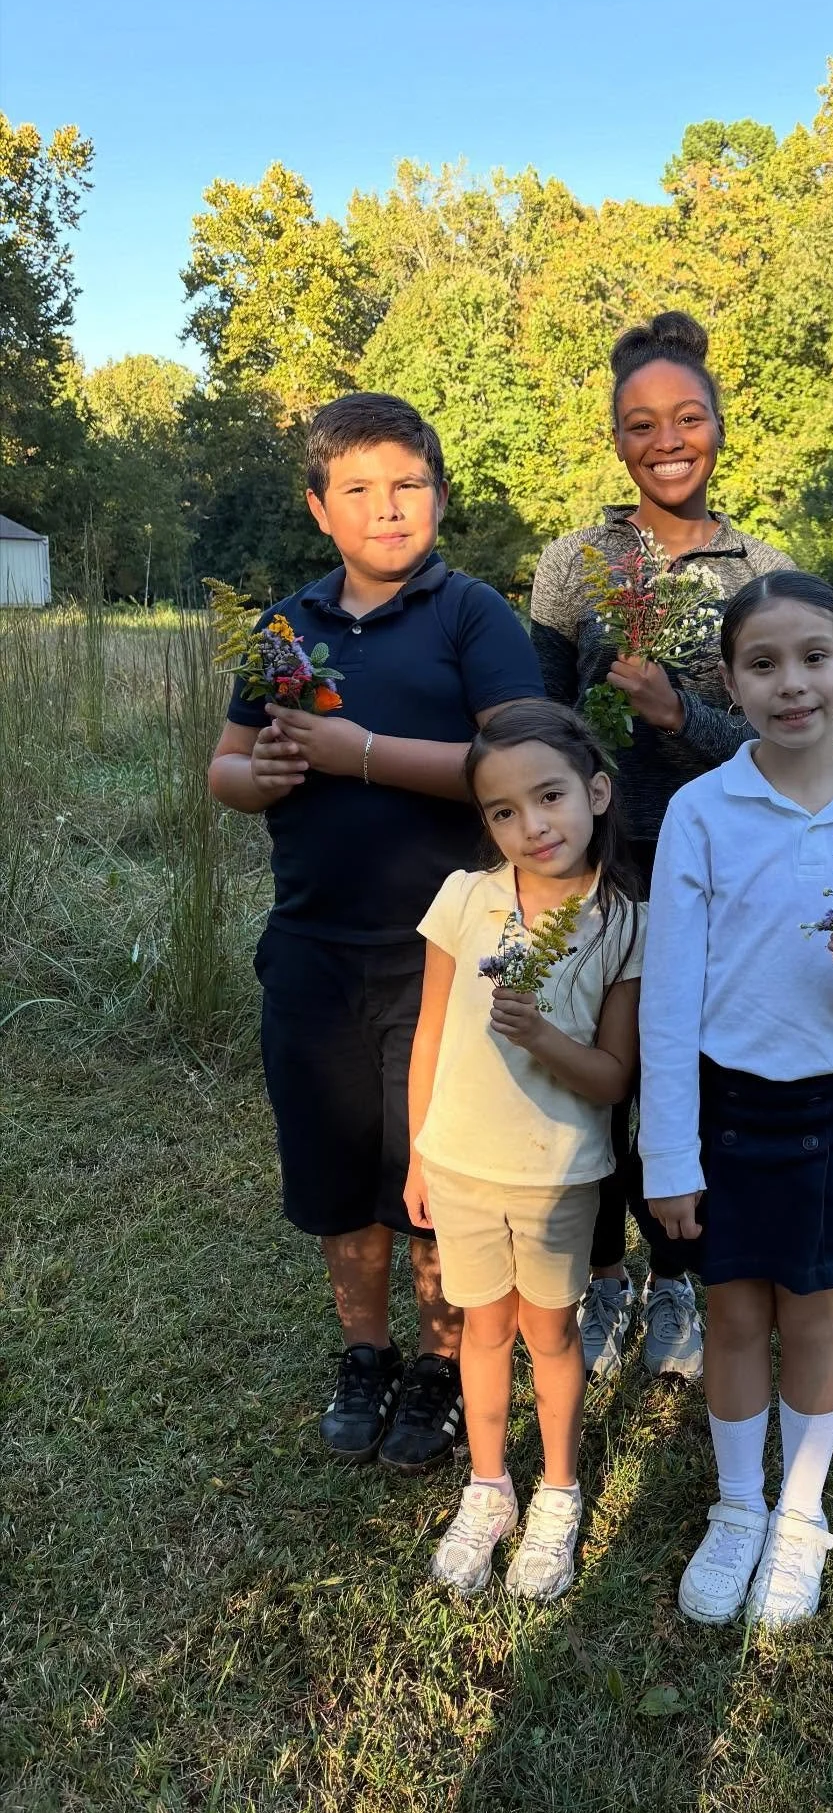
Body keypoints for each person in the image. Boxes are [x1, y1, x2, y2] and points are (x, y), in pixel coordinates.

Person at [209, 392, 545, 1472]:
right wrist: (256, 774)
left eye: (408, 486)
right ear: (318, 507)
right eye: (357, 489)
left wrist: (358, 751)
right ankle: (367, 1353)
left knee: (437, 1177)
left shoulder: (472, 616)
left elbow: (516, 769)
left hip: (441, 958)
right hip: (312, 950)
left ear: (440, 498)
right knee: (338, 1173)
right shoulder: (285, 628)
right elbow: (226, 765)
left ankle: (444, 1368)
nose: (386, 508)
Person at [639, 571, 833, 1628]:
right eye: (763, 665)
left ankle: (801, 1516)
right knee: (733, 1312)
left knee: (814, 1311)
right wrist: (669, 1158)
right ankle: (737, 1508)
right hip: (729, 1108)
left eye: (813, 658)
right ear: (729, 680)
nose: (791, 685)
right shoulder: (701, 812)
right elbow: (671, 1000)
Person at [529, 310, 789, 1387]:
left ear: (720, 426)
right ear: (616, 437)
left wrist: (680, 714)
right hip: (599, 873)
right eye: (642, 423)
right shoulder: (574, 564)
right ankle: (601, 1275)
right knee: (594, 1078)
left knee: (690, 1080)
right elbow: (533, 731)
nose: (666, 439)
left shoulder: (762, 570)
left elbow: (784, 755)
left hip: (719, 876)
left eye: (688, 418)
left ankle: (679, 1279)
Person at [404, 701, 645, 1598]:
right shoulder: (465, 900)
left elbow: (615, 1077)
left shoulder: (624, 922)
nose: (530, 826)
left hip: (557, 1176)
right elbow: (429, 1036)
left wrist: (540, 1034)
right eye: (503, 811)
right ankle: (488, 1485)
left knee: (550, 1334)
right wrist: (420, 1154)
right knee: (481, 1330)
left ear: (597, 791)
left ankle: (559, 1492)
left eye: (549, 797)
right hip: (460, 1162)